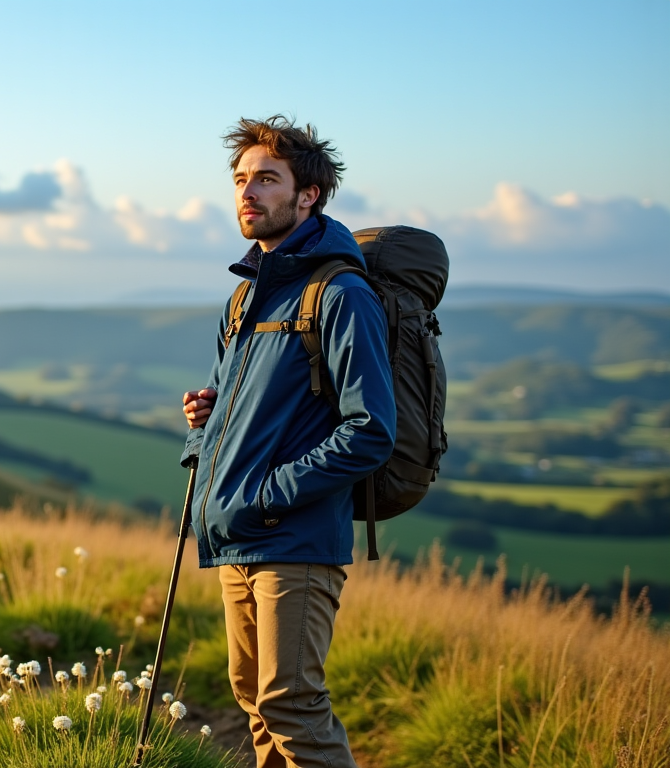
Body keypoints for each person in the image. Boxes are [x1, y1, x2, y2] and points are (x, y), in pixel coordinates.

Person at [180, 116, 395, 768]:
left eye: (267, 179)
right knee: (256, 702)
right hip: (238, 533)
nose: (248, 192)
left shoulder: (341, 294)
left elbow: (370, 430)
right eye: (241, 179)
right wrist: (202, 422)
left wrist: (269, 493)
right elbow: (226, 411)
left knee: (291, 704)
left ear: (309, 196)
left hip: (293, 537)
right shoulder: (243, 298)